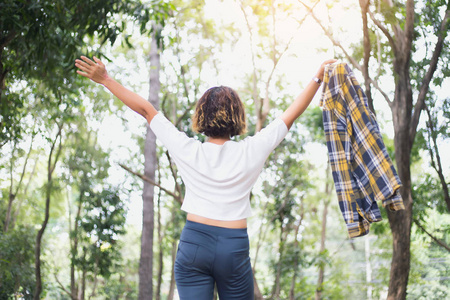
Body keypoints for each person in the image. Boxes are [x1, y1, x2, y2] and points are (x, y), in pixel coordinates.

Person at [75, 55, 336, 300]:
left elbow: (145, 110)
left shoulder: (187, 149)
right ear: (238, 116)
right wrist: (317, 77)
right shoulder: (252, 150)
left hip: (194, 244)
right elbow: (291, 114)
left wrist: (106, 79)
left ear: (201, 115)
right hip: (233, 248)